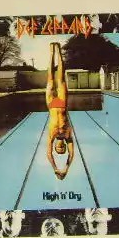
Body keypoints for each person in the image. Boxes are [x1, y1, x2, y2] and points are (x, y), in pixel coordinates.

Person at [44, 42, 74, 180]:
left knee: (50, 79)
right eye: (63, 149)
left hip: (51, 104)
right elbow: (71, 155)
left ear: (55, 146)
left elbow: (48, 154)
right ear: (66, 147)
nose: (60, 148)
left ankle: (51, 52)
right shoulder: (68, 136)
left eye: (58, 149)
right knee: (61, 78)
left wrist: (55, 168)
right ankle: (59, 51)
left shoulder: (51, 136)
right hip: (62, 103)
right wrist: (66, 168)